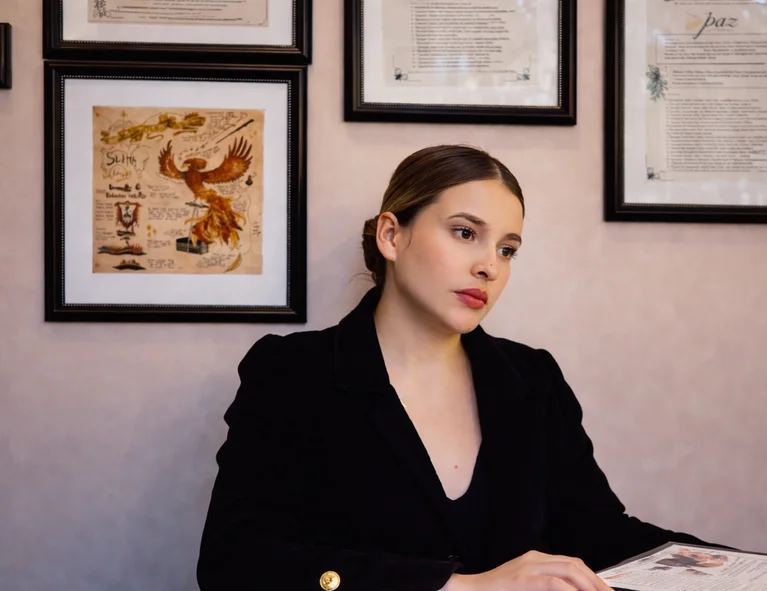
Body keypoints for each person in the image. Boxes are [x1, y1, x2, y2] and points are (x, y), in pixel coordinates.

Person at [196, 145, 725, 591]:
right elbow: (234, 562)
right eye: (466, 233)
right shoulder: (292, 372)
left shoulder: (532, 378)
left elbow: (597, 532)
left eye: (508, 249)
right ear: (391, 236)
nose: (489, 266)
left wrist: (737, 571)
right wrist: (458, 587)